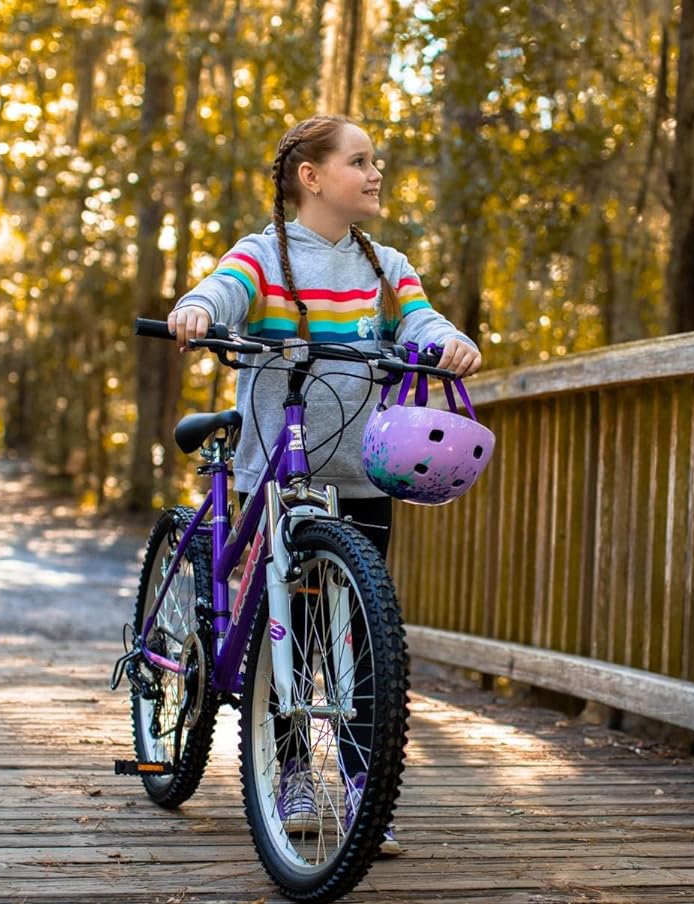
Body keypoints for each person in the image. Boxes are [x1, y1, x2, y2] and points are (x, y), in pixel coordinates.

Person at [167, 115, 483, 856]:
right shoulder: (264, 255)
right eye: (359, 161)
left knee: (367, 638)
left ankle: (365, 791)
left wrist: (447, 341)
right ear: (311, 177)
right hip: (280, 470)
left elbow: (420, 321)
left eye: (377, 162)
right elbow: (223, 290)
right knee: (288, 636)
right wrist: (199, 311)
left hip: (361, 472)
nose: (375, 174)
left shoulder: (386, 264)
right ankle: (291, 778)